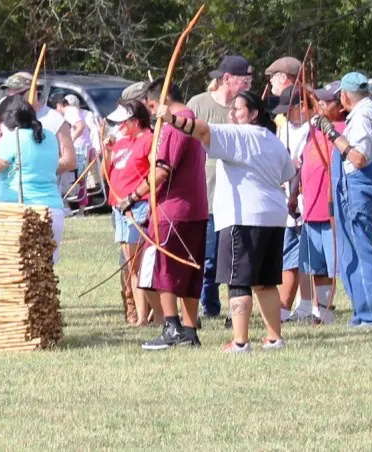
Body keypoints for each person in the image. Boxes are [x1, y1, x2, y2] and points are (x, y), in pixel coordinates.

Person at [155, 91, 294, 352]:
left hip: (242, 217)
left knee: (238, 280)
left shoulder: (237, 134)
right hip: (273, 216)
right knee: (265, 280)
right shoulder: (272, 139)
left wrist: (172, 119)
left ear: (253, 114)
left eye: (238, 109)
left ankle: (240, 341)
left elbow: (202, 130)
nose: (232, 113)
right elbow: (288, 171)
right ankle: (274, 338)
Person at [122, 78, 207, 350]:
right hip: (194, 209)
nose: (150, 113)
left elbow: (161, 171)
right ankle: (189, 330)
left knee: (164, 268)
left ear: (163, 101)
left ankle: (173, 327)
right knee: (189, 269)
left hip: (173, 211)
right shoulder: (190, 122)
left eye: (151, 106)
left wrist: (132, 197)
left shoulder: (176, 126)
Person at [310, 72, 372, 328]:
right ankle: (363, 313)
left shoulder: (363, 115)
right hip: (365, 189)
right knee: (353, 252)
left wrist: (331, 133)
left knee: (360, 253)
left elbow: (358, 158)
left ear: (345, 95)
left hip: (356, 190)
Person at [185, 55, 253, 318]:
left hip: (238, 195)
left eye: (250, 80)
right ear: (227, 79)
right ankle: (209, 307)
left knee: (235, 257)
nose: (248, 85)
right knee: (208, 257)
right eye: (244, 80)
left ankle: (236, 308)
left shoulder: (245, 107)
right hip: (206, 194)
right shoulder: (198, 104)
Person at [0, 95, 65, 263]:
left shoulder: (12, 138)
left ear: (5, 121)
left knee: (15, 273)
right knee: (44, 273)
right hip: (54, 211)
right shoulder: (50, 137)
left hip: (22, 213)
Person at [105, 100, 154, 325]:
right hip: (119, 206)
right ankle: (137, 314)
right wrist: (107, 150)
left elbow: (155, 173)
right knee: (130, 264)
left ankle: (145, 316)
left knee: (138, 264)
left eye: (123, 122)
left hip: (138, 205)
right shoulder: (121, 143)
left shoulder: (149, 140)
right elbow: (109, 171)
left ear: (135, 121)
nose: (119, 126)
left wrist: (135, 197)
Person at [299, 81, 344, 324]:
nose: (321, 105)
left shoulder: (341, 130)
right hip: (310, 208)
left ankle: (362, 310)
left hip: (331, 209)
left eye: (327, 101)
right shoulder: (315, 130)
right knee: (317, 267)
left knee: (338, 263)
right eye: (320, 101)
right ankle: (324, 313)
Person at [272, 85, 310, 322]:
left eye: (288, 111)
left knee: (307, 256)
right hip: (287, 198)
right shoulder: (284, 128)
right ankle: (284, 308)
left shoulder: (311, 129)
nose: (285, 116)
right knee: (288, 256)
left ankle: (308, 304)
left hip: (306, 199)